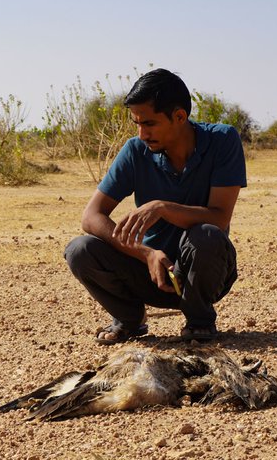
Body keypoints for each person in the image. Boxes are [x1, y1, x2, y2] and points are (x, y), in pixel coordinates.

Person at [64, 68, 246, 345]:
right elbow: (91, 216)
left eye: (149, 123)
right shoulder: (136, 150)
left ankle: (199, 320)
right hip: (149, 274)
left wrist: (161, 207)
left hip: (204, 272)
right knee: (80, 250)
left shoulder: (222, 141)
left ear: (179, 117)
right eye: (136, 123)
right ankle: (128, 320)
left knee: (207, 234)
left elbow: (220, 218)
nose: (141, 134)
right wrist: (146, 253)